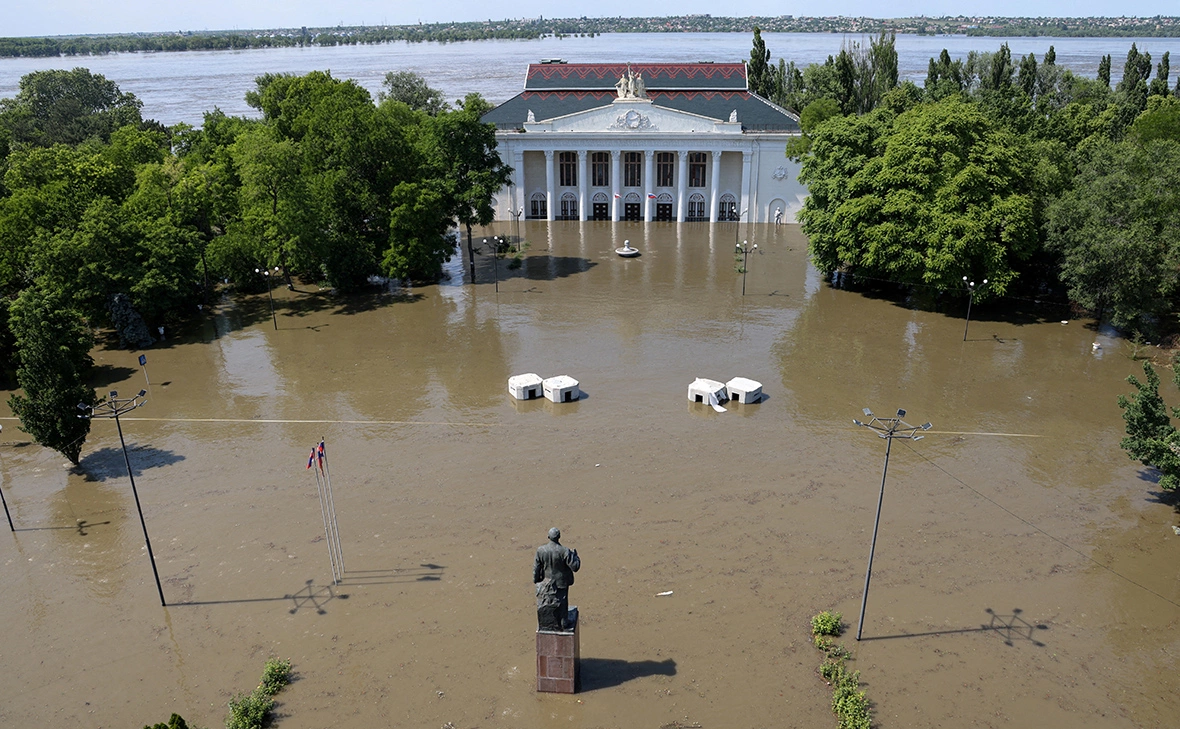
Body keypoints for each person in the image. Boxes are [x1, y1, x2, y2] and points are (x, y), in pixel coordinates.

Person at [534, 527, 580, 630]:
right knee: (562, 603)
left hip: (546, 582)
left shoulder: (541, 550)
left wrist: (536, 580)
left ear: (548, 537)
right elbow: (575, 567)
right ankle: (563, 623)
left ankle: (548, 623)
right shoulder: (564, 551)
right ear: (559, 537)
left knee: (548, 602)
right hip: (561, 582)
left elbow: (536, 567)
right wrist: (576, 557)